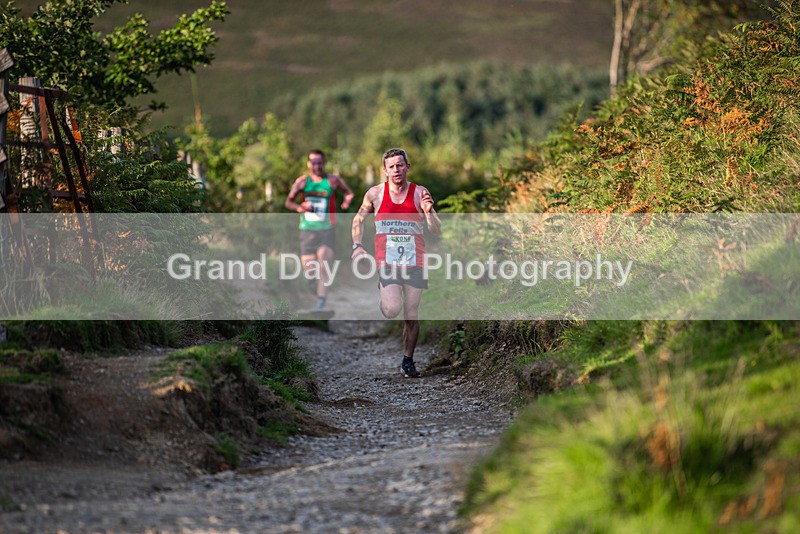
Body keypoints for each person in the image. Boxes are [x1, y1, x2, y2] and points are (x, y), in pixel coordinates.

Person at [351, 148, 441, 378]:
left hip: (415, 261)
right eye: (391, 166)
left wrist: (429, 213)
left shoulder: (420, 193)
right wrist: (357, 246)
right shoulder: (375, 194)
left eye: (400, 165)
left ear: (407, 167)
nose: (396, 170)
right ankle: (384, 294)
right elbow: (358, 219)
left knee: (411, 313)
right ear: (385, 170)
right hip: (388, 261)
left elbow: (436, 231)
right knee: (392, 310)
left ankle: (407, 360)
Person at [285, 149, 354, 310]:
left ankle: (321, 304)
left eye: (320, 162)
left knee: (323, 265)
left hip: (327, 229)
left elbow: (348, 193)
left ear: (324, 163)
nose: (317, 165)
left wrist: (346, 202)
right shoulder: (302, 182)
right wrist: (300, 207)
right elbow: (288, 202)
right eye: (314, 162)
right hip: (307, 230)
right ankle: (311, 285)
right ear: (309, 164)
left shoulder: (332, 180)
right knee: (309, 270)